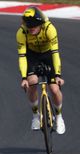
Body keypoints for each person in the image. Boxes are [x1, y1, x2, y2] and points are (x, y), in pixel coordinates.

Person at [16, 6, 65, 134]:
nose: (31, 28)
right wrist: (23, 78)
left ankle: (59, 117)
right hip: (32, 56)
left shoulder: (50, 29)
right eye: (28, 26)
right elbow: (22, 57)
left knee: (54, 89)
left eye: (34, 26)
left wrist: (58, 75)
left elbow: (55, 53)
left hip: (48, 55)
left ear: (41, 24)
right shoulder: (21, 33)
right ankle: (35, 115)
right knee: (32, 83)